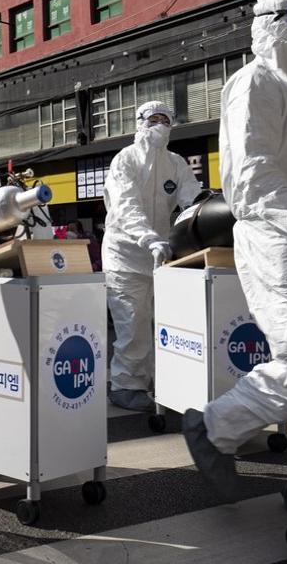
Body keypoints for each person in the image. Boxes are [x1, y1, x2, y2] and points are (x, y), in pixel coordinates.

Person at [183, 0, 287, 505]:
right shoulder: (252, 82)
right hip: (272, 234)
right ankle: (213, 426)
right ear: (272, 21)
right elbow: (249, 177)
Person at [102, 102, 201, 411]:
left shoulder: (176, 164)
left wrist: (204, 218)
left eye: (165, 120)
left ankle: (163, 382)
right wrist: (147, 238)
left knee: (164, 324)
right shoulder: (125, 160)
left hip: (161, 257)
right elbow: (125, 206)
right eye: (153, 119)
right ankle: (125, 385)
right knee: (133, 324)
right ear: (140, 123)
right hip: (125, 256)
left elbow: (191, 199)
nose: (159, 124)